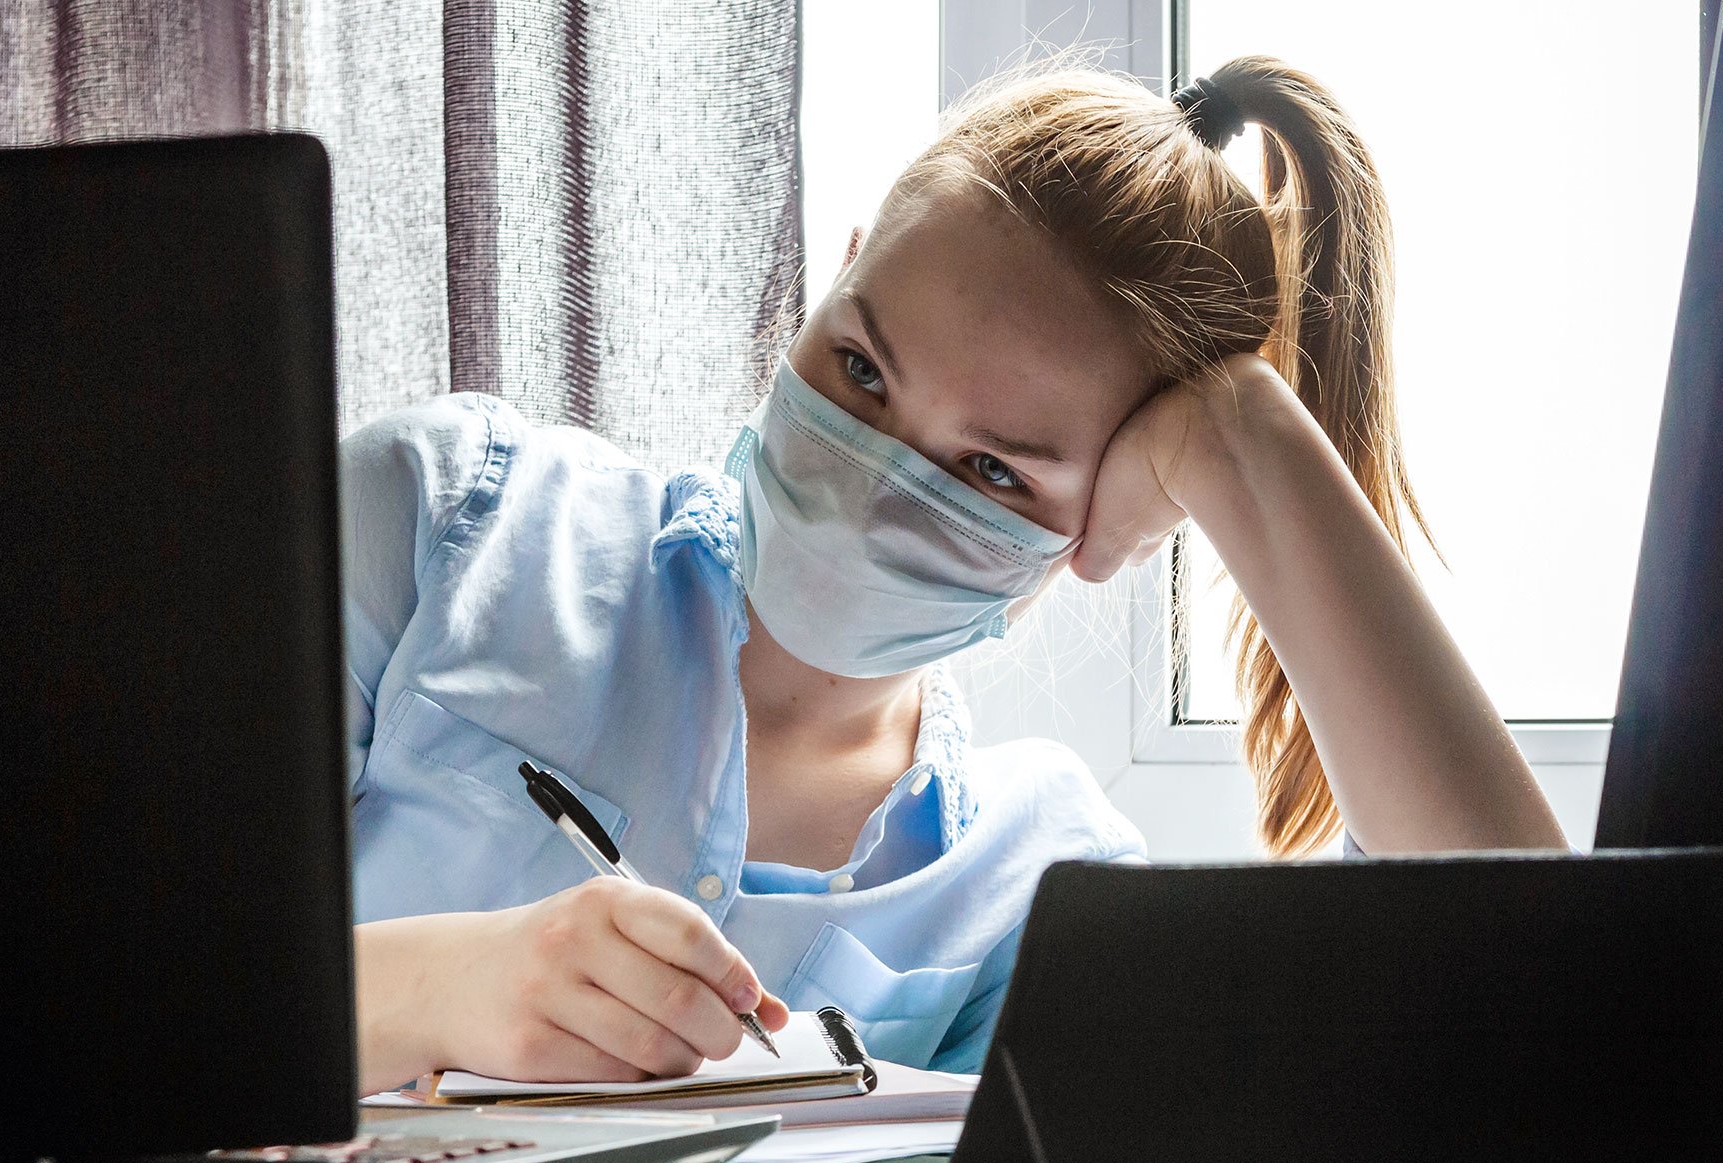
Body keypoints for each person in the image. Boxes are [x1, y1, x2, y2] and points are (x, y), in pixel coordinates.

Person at [348, 56, 1568, 1096]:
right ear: (838, 274)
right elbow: (153, 978)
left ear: (1110, 520)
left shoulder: (1036, 888)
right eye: (862, 369)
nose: (869, 480)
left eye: (991, 470)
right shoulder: (447, 520)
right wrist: (442, 987)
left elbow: (1538, 989)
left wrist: (1244, 443)